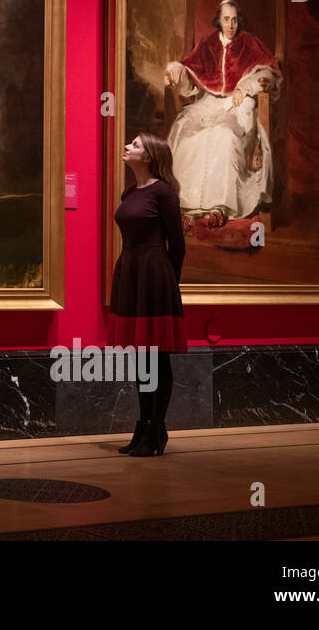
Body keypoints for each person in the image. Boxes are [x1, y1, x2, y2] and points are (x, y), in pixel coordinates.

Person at [164, 0, 280, 230]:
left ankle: (220, 207)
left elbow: (268, 71)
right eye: (226, 20)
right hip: (207, 103)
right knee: (187, 134)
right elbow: (189, 72)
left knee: (223, 136)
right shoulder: (207, 44)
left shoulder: (249, 42)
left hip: (239, 105)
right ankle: (188, 210)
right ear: (219, 20)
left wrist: (246, 87)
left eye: (235, 20)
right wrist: (177, 69)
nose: (231, 25)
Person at [108, 132, 187, 458]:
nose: (128, 147)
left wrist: (167, 283)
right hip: (131, 272)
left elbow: (177, 245)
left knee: (158, 357)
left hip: (154, 276)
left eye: (136, 145)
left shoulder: (163, 192)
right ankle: (145, 428)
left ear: (151, 157)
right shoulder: (131, 191)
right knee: (141, 358)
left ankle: (155, 428)